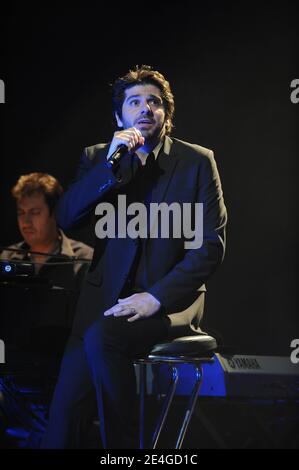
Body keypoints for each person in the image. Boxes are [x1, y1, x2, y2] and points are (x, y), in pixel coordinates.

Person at [41, 65, 227, 449]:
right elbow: (66, 218)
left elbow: (211, 246)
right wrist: (109, 165)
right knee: (60, 426)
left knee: (104, 338)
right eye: (135, 102)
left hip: (167, 303)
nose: (145, 108)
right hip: (103, 304)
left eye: (154, 102)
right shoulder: (98, 158)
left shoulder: (196, 162)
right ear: (119, 116)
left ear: (166, 114)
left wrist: (155, 297)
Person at [0, 172, 93, 356]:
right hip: (11, 370)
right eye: (21, 213)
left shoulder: (84, 260)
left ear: (54, 213)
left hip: (62, 367)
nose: (26, 222)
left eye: (34, 212)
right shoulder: (6, 258)